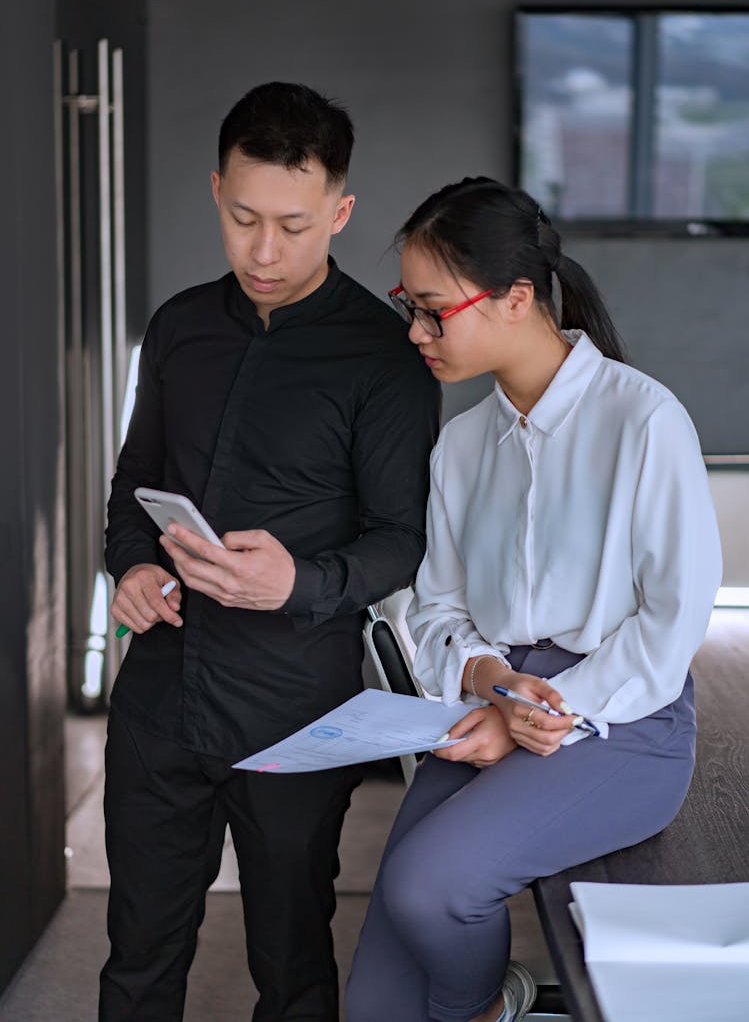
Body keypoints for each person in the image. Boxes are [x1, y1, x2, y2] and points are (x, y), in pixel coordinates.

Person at [102, 81, 440, 1022]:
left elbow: (403, 542)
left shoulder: (385, 356)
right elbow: (132, 488)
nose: (263, 250)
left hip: (297, 714)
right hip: (161, 694)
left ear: (340, 210)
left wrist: (299, 579)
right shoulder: (177, 327)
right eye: (244, 217)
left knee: (292, 962)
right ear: (217, 190)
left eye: (292, 225)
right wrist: (130, 565)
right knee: (137, 953)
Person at [345, 177, 722, 1022]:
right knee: (375, 1003)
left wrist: (542, 709)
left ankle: (481, 1004)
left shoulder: (643, 420)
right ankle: (490, 997)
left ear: (517, 298)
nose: (416, 330)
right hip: (498, 703)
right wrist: (486, 678)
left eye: (434, 308)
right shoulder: (463, 445)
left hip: (623, 723)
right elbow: (437, 610)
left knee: (431, 886)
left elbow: (669, 622)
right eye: (410, 303)